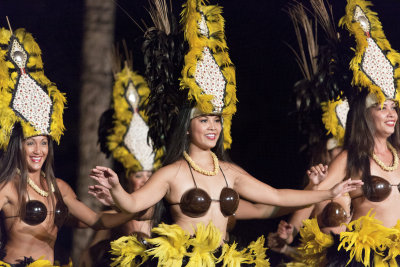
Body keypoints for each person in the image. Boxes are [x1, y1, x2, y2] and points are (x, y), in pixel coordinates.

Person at [88, 1, 362, 265]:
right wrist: (115, 190)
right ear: (188, 125)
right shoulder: (172, 173)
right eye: (204, 120)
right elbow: (133, 202)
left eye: (217, 121)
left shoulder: (230, 172)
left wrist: (327, 192)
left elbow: (276, 197)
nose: (212, 127)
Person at [0, 28, 142, 266]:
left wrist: (131, 208)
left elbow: (96, 220)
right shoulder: (8, 187)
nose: (38, 150)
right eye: (30, 142)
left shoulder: (59, 188)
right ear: (18, 146)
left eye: (44, 142)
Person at [277, 1, 400, 265]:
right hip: (364, 257)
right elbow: (318, 197)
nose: (392, 113)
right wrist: (292, 230)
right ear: (366, 115)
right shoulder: (349, 158)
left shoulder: (398, 154)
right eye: (382, 107)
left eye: (394, 107)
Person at [80, 60, 164, 267]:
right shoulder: (113, 214)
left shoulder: (164, 210)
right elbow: (87, 256)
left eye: (149, 175)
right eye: (138, 175)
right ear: (127, 179)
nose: (145, 180)